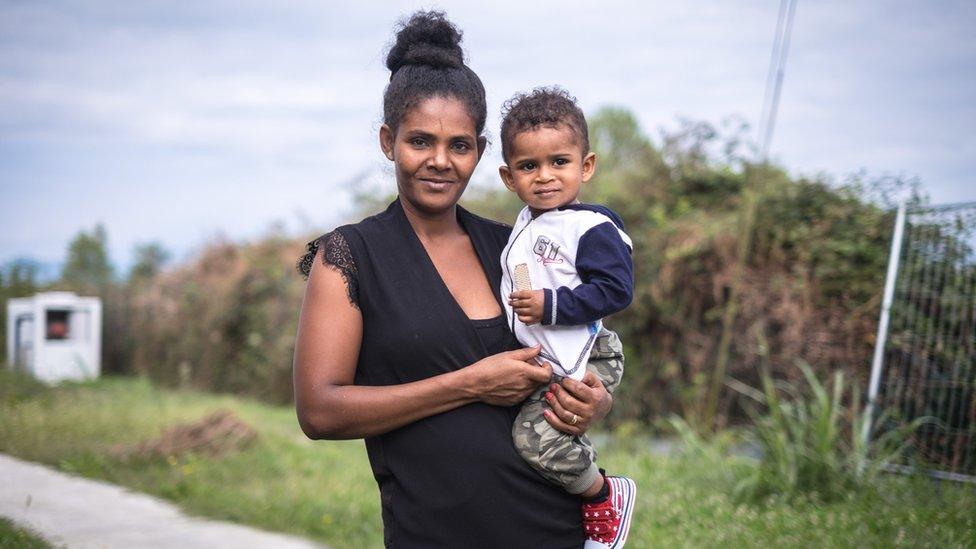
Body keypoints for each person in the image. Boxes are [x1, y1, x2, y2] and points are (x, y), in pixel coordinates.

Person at [293, 11, 623, 548]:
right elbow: (319, 411)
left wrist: (595, 401)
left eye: (460, 145)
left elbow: (579, 347)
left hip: (551, 528)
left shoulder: (513, 248)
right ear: (387, 141)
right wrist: (469, 383)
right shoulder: (350, 257)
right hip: (434, 533)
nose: (440, 162)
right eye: (420, 141)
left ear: (482, 153)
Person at [499, 87, 636, 548]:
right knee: (531, 436)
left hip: (591, 352)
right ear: (507, 176)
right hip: (549, 359)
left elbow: (617, 289)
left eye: (559, 161)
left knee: (535, 441)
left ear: (587, 166)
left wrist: (550, 305)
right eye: (528, 166)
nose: (544, 176)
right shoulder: (524, 225)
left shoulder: (591, 225)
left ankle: (602, 495)